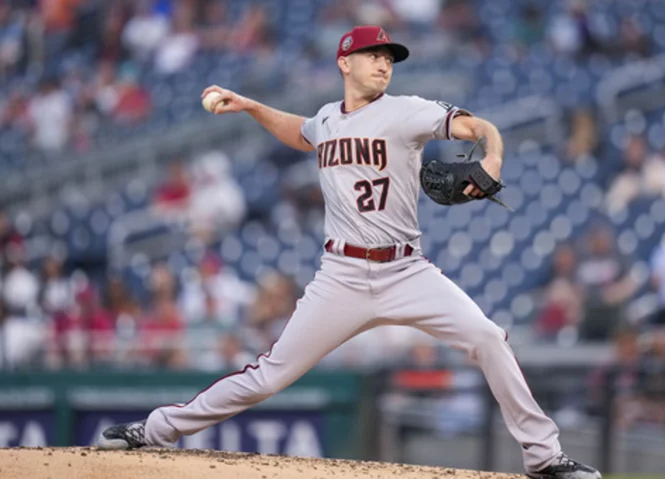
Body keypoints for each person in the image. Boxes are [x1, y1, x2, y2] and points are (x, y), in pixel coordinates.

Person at [97, 25, 600, 479]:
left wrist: (492, 156)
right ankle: (157, 429)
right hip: (340, 276)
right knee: (267, 376)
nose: (384, 63)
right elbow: (299, 130)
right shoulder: (326, 121)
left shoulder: (407, 111)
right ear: (345, 63)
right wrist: (250, 106)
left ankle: (545, 456)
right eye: (373, 54)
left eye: (389, 57)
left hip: (406, 270)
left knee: (488, 338)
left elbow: (479, 126)